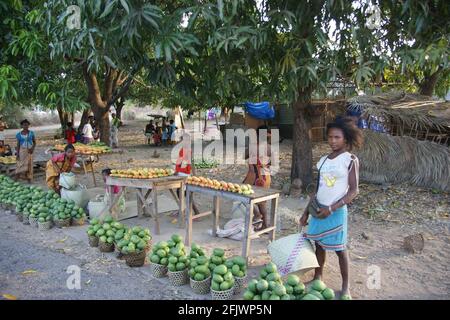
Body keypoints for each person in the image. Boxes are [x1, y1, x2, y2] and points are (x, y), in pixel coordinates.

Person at [300, 117, 362, 300]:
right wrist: (305, 213)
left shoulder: (350, 159)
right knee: (319, 244)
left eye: (337, 137)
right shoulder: (324, 161)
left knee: (340, 249)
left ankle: (345, 287)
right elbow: (317, 191)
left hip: (336, 212)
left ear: (346, 138)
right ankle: (318, 277)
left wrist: (332, 208)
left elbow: (354, 190)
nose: (333, 141)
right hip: (319, 210)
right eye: (330, 137)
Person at [243, 125, 272, 230]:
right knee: (261, 201)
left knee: (243, 195)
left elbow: (245, 156)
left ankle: (257, 215)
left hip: (256, 176)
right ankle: (264, 224)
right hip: (266, 176)